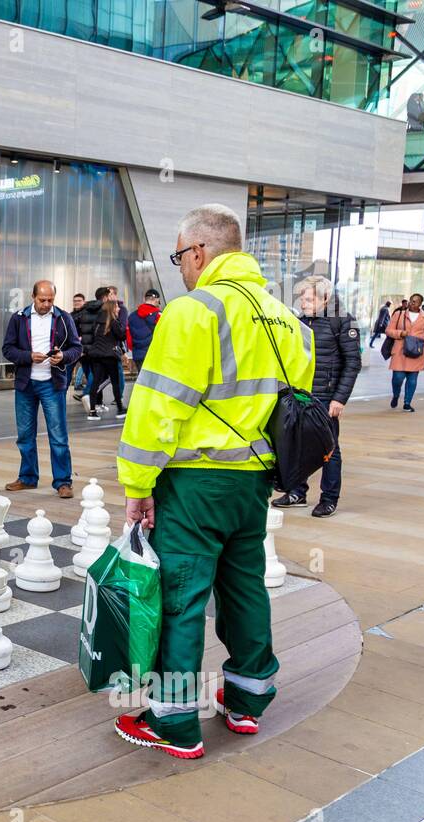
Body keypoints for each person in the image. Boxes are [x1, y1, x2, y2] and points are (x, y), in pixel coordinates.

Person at [114, 203, 315, 760]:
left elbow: (156, 406)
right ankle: (248, 701)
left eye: (180, 255)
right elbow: (289, 410)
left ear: (199, 252)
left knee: (181, 600)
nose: (179, 266)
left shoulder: (193, 310)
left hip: (195, 482)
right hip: (253, 483)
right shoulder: (287, 320)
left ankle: (173, 723)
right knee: (245, 589)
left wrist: (137, 483)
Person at [270, 277, 360, 517]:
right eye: (302, 298)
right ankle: (297, 492)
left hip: (327, 397)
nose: (304, 302)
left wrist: (339, 399)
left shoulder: (342, 321)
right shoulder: (300, 321)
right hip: (302, 396)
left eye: (309, 299)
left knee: (329, 449)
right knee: (296, 444)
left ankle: (329, 498)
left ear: (326, 299)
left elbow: (353, 363)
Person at [2, 280, 82, 498]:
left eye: (51, 300)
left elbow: (76, 348)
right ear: (33, 297)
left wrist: (63, 356)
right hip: (26, 384)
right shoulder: (19, 318)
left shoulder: (64, 318)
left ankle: (63, 482)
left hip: (52, 384)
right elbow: (7, 349)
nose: (47, 304)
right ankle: (28, 478)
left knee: (58, 436)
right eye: (42, 300)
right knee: (25, 435)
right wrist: (28, 356)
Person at [77, 286, 127, 421]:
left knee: (95, 382)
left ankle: (92, 412)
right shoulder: (113, 321)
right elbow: (122, 335)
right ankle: (120, 409)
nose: (118, 309)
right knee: (115, 382)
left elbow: (93, 336)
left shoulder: (98, 321)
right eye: (116, 307)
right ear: (112, 308)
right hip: (109, 355)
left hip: (95, 354)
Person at [386, 293, 424, 412]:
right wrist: (400, 333)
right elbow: (388, 331)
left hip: (416, 352)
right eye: (411, 300)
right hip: (400, 350)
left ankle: (407, 403)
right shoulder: (399, 314)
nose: (411, 303)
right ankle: (396, 395)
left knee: (412, 380)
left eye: (415, 301)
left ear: (420, 304)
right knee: (398, 378)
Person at [128, 289, 161, 374]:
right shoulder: (158, 315)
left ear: (145, 299)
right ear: (156, 299)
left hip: (138, 355)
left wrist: (135, 349)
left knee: (142, 381)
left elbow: (129, 339)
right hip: (154, 355)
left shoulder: (131, 316)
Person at [68, 292, 92, 400]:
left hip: (85, 348)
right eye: (75, 301)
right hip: (72, 348)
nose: (76, 303)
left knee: (88, 371)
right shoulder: (70, 315)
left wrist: (83, 339)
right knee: (67, 371)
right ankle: (62, 392)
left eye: (79, 301)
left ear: (84, 302)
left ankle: (88, 395)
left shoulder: (87, 314)